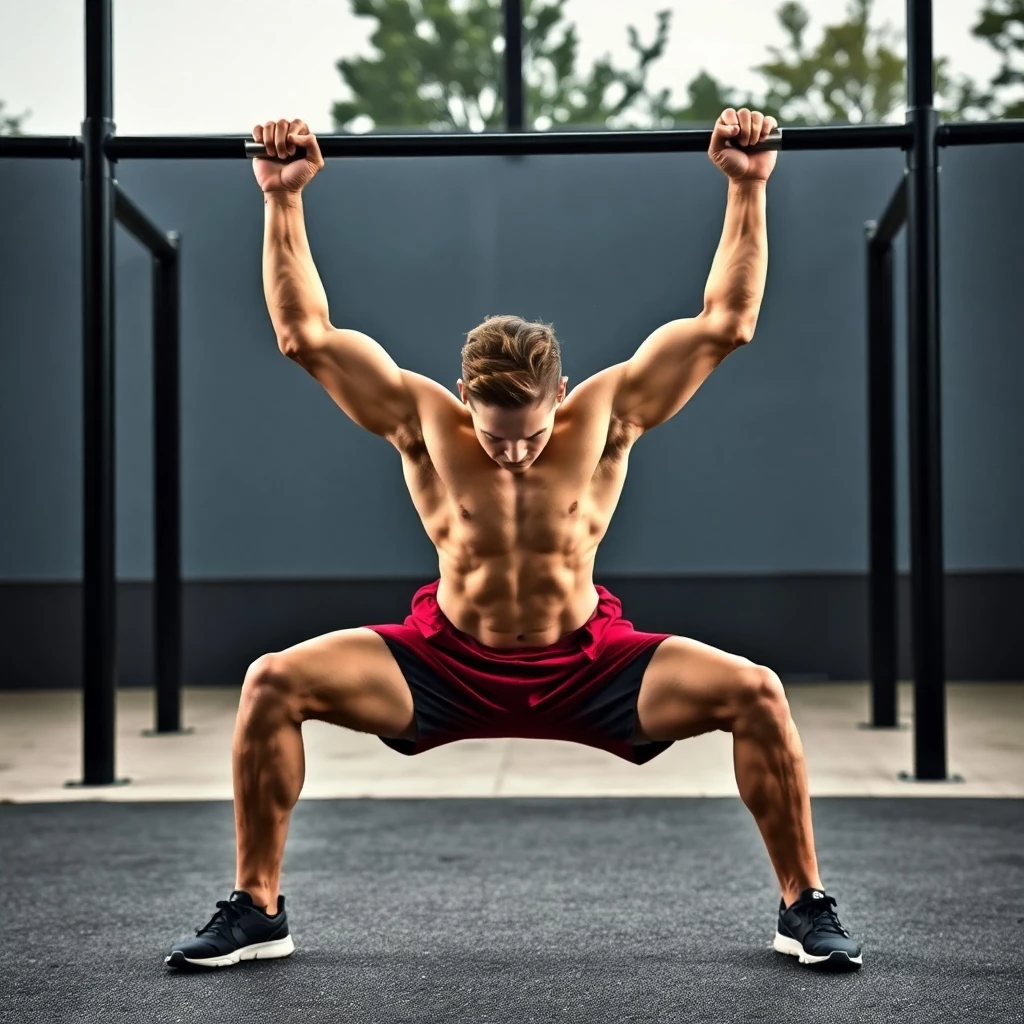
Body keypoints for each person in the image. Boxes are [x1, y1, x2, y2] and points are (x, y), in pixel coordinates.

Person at [165, 108, 862, 973]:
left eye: (529, 435)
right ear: (465, 395)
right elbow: (305, 337)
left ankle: (805, 904)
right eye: (496, 437)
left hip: (588, 664)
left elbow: (726, 323)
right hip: (444, 662)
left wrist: (748, 187)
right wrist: (282, 199)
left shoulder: (605, 414)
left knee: (757, 692)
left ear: (558, 392)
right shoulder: (423, 419)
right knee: (272, 682)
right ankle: (259, 908)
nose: (514, 452)